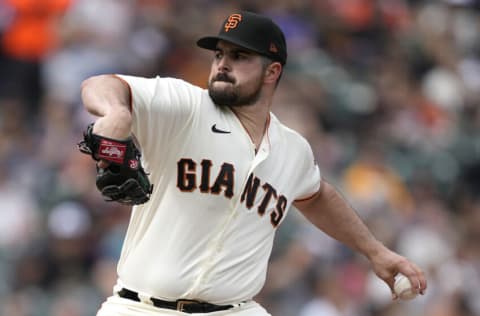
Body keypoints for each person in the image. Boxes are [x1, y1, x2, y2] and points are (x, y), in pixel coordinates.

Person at [80, 11, 427, 316]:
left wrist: (375, 252)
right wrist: (117, 112)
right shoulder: (187, 107)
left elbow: (317, 196)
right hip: (142, 308)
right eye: (219, 54)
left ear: (272, 70)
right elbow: (101, 84)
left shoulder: (292, 149)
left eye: (240, 55)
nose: (222, 64)